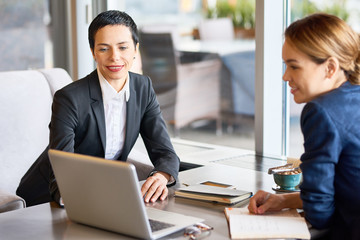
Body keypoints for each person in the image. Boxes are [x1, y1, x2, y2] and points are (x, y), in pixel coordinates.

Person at [16, 10, 180, 206]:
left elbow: (165, 152)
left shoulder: (143, 88)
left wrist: (161, 175)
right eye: (104, 49)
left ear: (135, 50)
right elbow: (62, 169)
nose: (115, 57)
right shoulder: (69, 98)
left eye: (123, 47)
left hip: (102, 192)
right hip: (48, 197)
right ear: (93, 52)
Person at [248, 13, 360, 239]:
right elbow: (345, 187)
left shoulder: (321, 111)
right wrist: (285, 199)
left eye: (294, 67)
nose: (285, 76)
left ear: (330, 68)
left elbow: (319, 210)